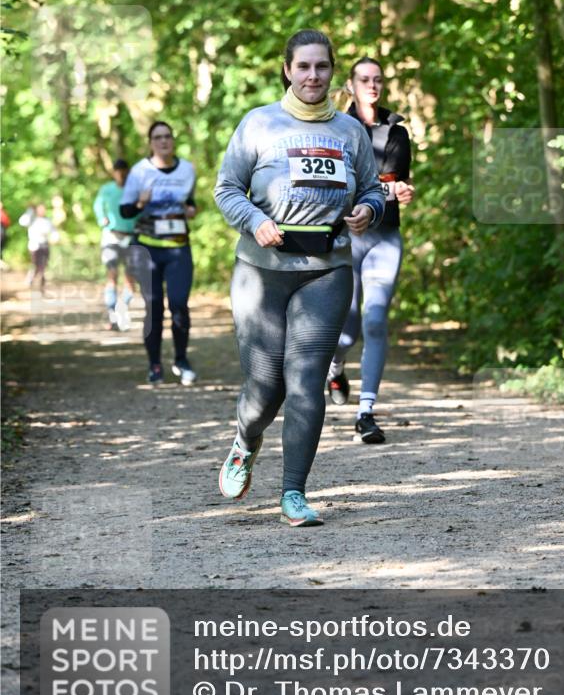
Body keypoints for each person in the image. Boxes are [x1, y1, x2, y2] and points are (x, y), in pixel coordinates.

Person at [214, 29, 385, 527]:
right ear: (288, 70)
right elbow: (227, 189)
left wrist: (367, 212)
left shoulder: (349, 132)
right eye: (304, 67)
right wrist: (255, 220)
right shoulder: (259, 124)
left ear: (334, 72)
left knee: (307, 380)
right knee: (266, 388)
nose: (313, 76)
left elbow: (373, 190)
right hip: (262, 272)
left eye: (322, 67)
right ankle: (246, 440)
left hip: (326, 269)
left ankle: (294, 492)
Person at [326, 57, 415, 444]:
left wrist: (403, 191)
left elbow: (396, 182)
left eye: (378, 79)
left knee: (376, 320)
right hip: (347, 240)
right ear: (351, 83)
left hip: (385, 238)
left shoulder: (396, 130)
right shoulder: (336, 127)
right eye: (365, 79)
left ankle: (365, 413)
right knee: (347, 329)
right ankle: (336, 366)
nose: (372, 85)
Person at [120, 122, 197, 386]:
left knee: (178, 304)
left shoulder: (187, 169)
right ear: (150, 142)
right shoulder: (140, 171)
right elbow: (125, 211)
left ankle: (181, 360)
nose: (163, 141)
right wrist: (141, 202)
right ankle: (154, 365)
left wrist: (191, 210)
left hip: (178, 247)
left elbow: (190, 202)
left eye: (167, 137)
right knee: (154, 308)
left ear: (173, 141)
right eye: (157, 138)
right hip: (147, 248)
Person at [93, 159, 138, 330]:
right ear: (114, 173)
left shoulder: (134, 190)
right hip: (111, 237)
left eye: (124, 170)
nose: (121, 174)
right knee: (112, 275)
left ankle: (122, 309)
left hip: (131, 237)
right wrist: (101, 218)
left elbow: (140, 209)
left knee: (130, 279)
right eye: (118, 171)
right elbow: (98, 206)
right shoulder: (107, 190)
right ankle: (112, 313)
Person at [18, 203, 59, 293]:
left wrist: (55, 238)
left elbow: (53, 231)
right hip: (34, 246)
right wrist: (30, 211)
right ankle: (31, 280)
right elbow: (22, 221)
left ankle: (42, 286)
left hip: (44, 245)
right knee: (37, 265)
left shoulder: (47, 220)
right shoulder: (32, 219)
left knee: (44, 266)